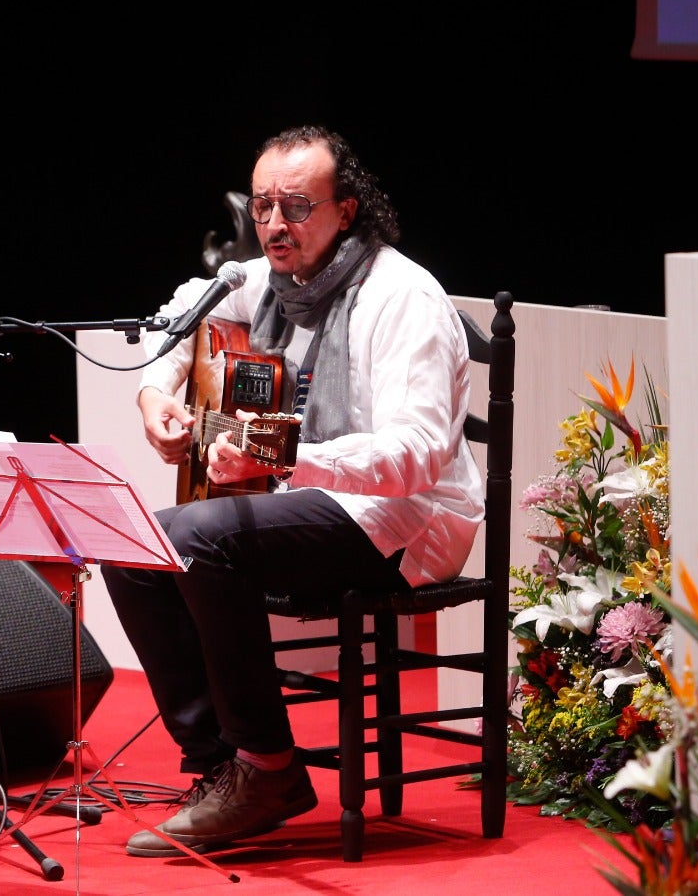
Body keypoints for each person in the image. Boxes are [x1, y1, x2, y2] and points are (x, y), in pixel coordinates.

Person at [106, 124, 481, 854]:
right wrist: (156, 395)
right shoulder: (276, 281)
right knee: (134, 545)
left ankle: (268, 768)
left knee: (192, 536)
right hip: (315, 500)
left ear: (347, 210)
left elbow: (417, 456)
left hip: (404, 521)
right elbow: (192, 301)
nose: (275, 225)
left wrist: (276, 455)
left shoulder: (402, 298)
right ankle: (220, 766)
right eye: (263, 206)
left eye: (297, 207)